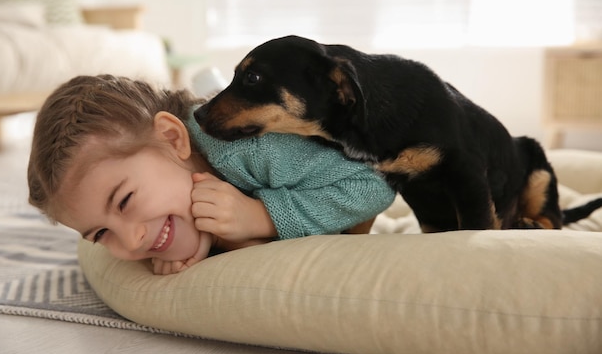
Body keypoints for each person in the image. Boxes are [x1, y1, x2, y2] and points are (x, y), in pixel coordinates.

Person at [28, 75, 396, 275]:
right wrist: (218, 240)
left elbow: (376, 183)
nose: (134, 240)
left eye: (125, 201)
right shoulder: (166, 192)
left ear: (173, 140)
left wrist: (260, 217)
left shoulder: (251, 147)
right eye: (101, 233)